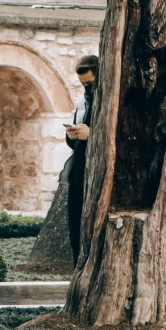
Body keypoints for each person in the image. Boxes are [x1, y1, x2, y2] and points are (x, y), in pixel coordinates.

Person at [65, 54, 99, 262]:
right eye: (83, 85)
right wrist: (73, 135)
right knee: (75, 226)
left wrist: (92, 135)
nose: (86, 89)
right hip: (78, 171)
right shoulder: (82, 103)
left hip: (98, 174)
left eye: (90, 84)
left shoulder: (109, 100)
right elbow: (75, 143)